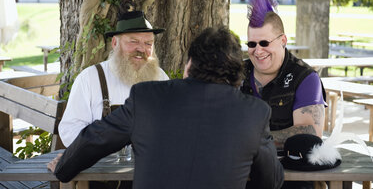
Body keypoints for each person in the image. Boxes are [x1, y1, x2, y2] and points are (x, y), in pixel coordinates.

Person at [48, 26, 284, 189]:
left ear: (189, 64)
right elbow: (272, 180)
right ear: (236, 73)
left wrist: (65, 166)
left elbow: (96, 138)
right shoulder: (255, 112)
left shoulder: (147, 97)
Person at [240, 0, 326, 189]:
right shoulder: (235, 74)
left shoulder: (304, 77)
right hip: (241, 174)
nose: (257, 51)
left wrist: (248, 138)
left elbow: (309, 132)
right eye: (251, 44)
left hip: (291, 179)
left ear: (283, 40)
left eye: (264, 43)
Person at [59, 10, 169, 148]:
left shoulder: (161, 78)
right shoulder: (90, 78)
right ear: (115, 43)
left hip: (150, 163)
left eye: (148, 43)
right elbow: (70, 130)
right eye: (133, 41)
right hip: (102, 165)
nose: (141, 49)